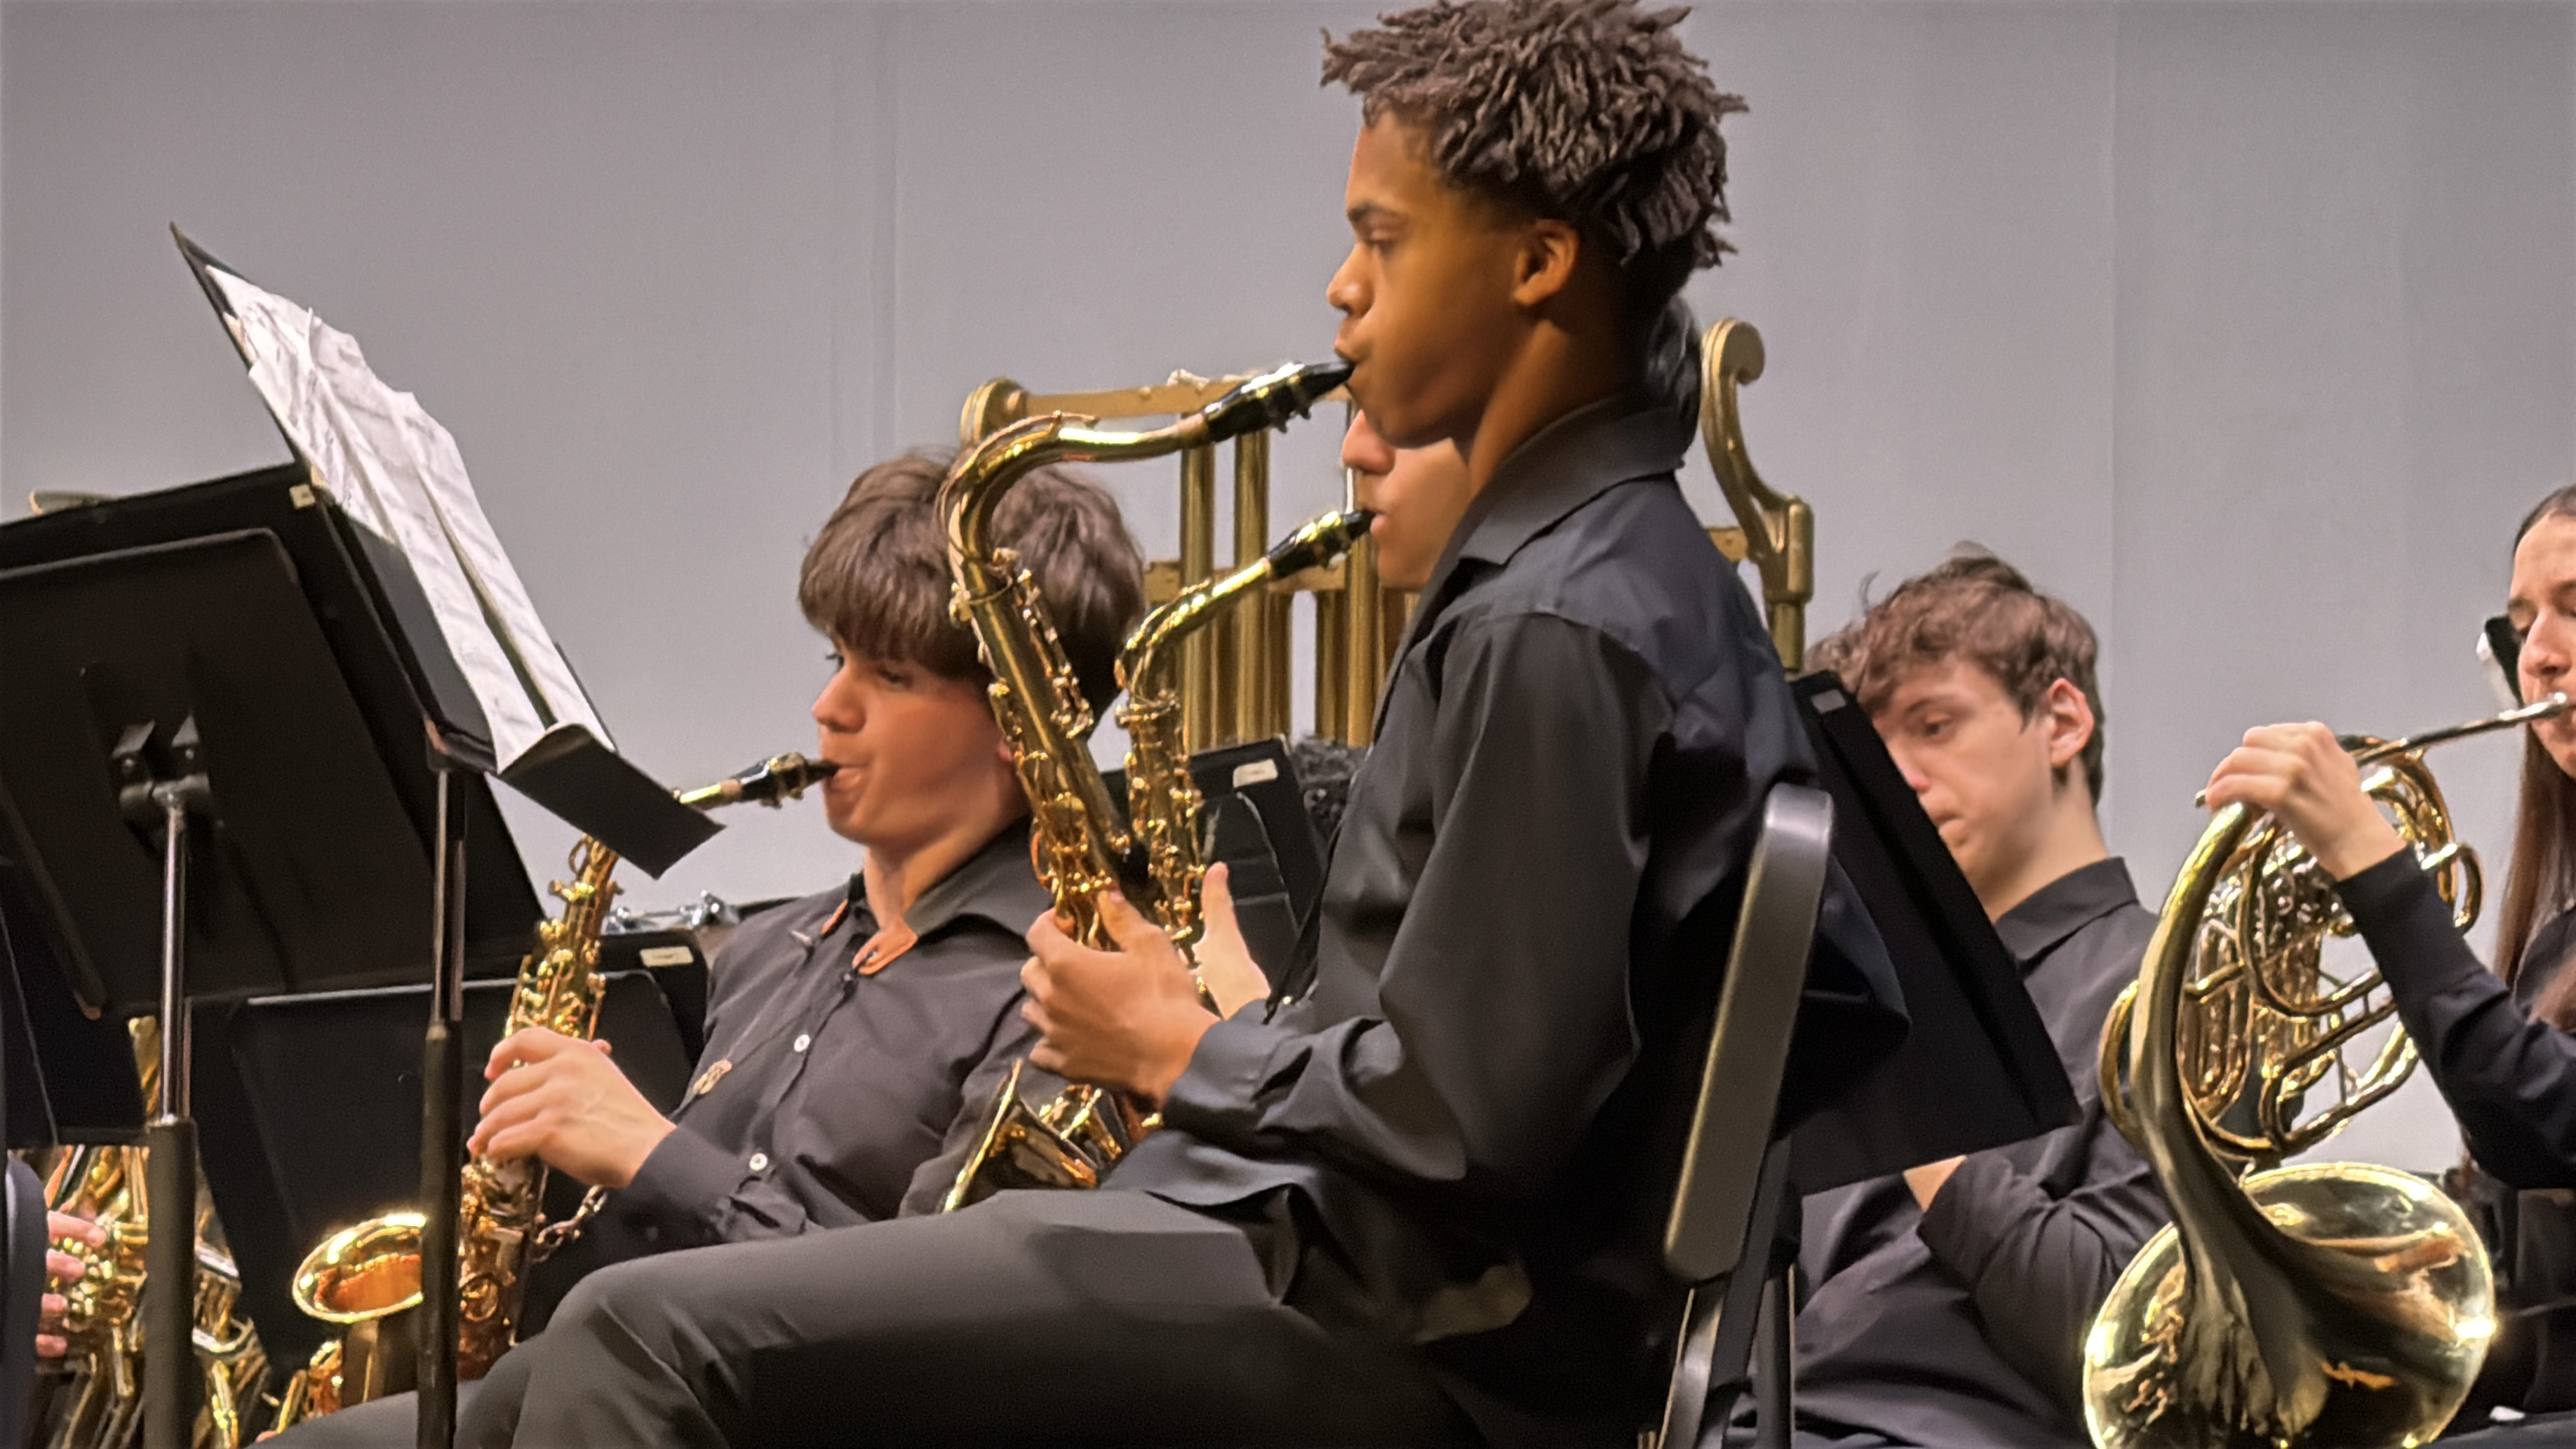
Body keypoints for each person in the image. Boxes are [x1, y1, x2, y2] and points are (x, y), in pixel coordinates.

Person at [449, 4, 1903, 1445]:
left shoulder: (1565, 619)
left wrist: (1180, 1047)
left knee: (646, 1335)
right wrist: (1246, 1024)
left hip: (1395, 1344)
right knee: (512, 1392)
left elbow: (1468, 1124)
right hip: (1334, 1276)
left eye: (1383, 240)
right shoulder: (1588, 577)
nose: (1342, 289)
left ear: (1537, 263)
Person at [269, 450, 1148, 1445]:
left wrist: (655, 1153)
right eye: (837, 661)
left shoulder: (1055, 987)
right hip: (620, 1389)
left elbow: (925, 1316)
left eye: (889, 676)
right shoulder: (771, 951)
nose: (831, 709)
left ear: (1018, 722)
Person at [1773, 553, 2167, 1448]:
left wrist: (1914, 1081)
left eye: (1935, 725)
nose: (1894, 776)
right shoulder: (1869, 1007)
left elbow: (2122, 1332)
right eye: (1871, 751)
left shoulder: (2169, 980)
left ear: (2061, 721)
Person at [2204, 483, 2576, 1424]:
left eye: (2574, 607)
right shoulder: (2559, 939)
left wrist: (2375, 868)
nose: (2535, 656)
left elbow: (2543, 1118)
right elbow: (2514, 1273)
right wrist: (2294, 1245)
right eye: (2520, 623)